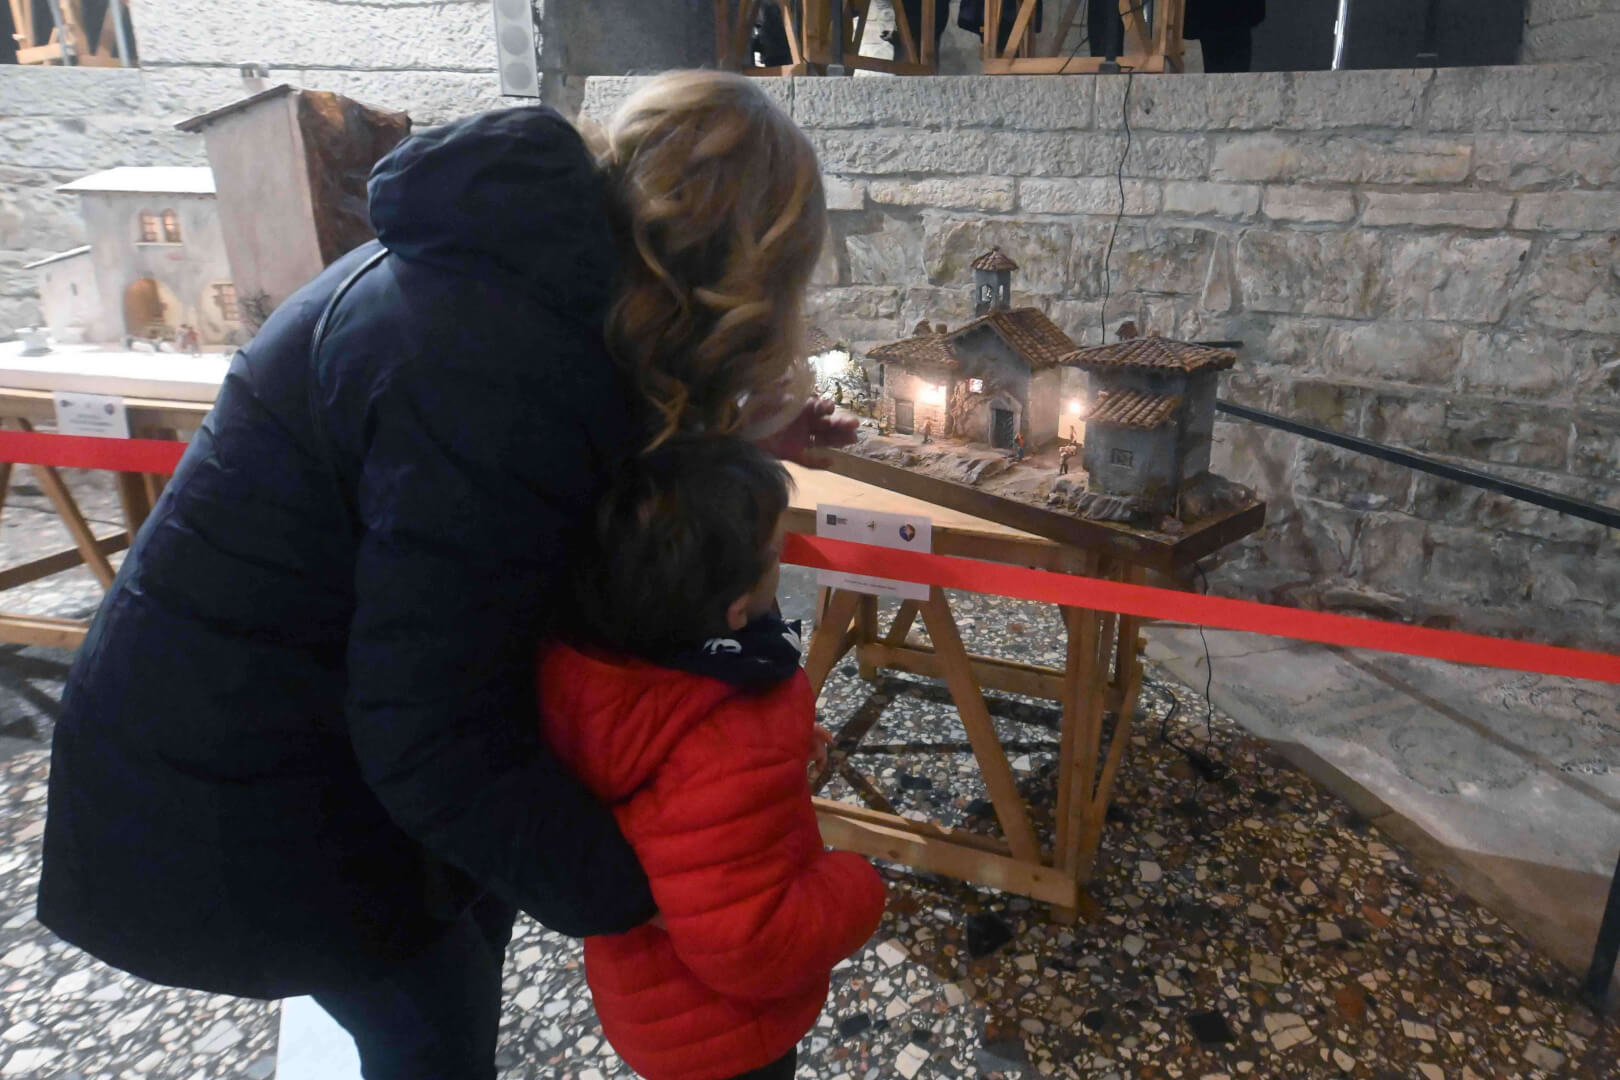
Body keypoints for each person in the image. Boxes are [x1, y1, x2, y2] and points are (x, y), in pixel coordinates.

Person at [38, 71, 850, 1078]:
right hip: (234, 771)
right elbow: (433, 737)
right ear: (741, 278)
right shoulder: (496, 363)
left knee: (447, 975)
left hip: (309, 722)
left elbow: (561, 469)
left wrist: (735, 441)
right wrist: (658, 888)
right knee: (430, 1032)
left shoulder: (527, 271)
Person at [539, 437, 885, 1080]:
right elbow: (751, 944)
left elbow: (686, 804)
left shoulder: (612, 671)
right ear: (736, 608)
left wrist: (778, 752)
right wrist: (857, 885)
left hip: (654, 1001)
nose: (783, 558)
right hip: (723, 1032)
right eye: (776, 553)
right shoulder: (725, 741)